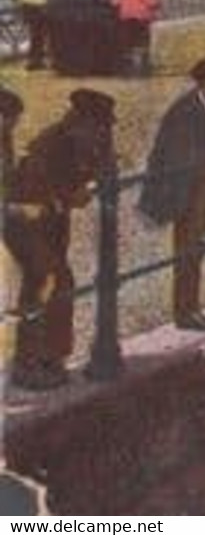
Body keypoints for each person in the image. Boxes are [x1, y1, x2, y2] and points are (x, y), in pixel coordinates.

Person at [3, 89, 114, 389]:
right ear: (80, 121)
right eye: (97, 126)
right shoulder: (50, 144)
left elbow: (102, 167)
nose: (101, 133)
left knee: (57, 282)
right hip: (24, 222)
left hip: (50, 224)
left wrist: (89, 182)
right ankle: (28, 365)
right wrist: (69, 196)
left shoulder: (88, 137)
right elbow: (28, 191)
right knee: (47, 281)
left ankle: (51, 357)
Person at [138, 58, 205, 330]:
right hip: (181, 191)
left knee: (195, 251)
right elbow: (185, 156)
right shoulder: (185, 111)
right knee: (187, 250)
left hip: (200, 189)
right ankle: (185, 312)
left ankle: (191, 307)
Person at [110, 0, 163, 75]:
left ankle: (128, 68)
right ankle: (143, 68)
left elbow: (114, 1)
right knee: (143, 44)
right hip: (141, 20)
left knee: (128, 45)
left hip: (125, 21)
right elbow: (153, 3)